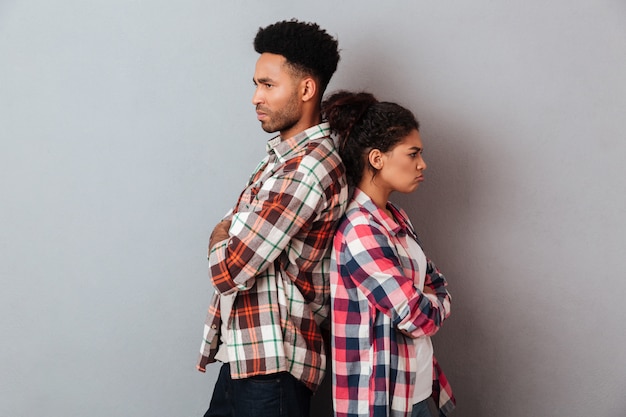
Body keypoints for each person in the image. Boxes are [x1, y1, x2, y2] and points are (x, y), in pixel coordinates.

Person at [196, 20, 348, 417]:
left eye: (267, 85)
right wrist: (231, 233)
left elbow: (229, 268)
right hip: (248, 353)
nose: (255, 97)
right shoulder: (282, 158)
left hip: (275, 362)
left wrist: (220, 233)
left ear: (306, 89)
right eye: (256, 84)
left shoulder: (307, 169)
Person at [323, 91, 455, 417]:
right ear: (377, 158)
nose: (422, 163)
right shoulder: (360, 229)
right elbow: (413, 315)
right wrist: (428, 302)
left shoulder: (396, 217)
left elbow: (437, 285)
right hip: (384, 401)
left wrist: (428, 300)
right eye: (413, 154)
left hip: (419, 388)